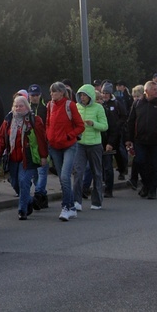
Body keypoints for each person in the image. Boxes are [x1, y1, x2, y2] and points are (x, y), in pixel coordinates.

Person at [0, 96, 47, 220]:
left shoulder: (34, 120)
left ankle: (22, 210)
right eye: (16, 106)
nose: (18, 108)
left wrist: (43, 156)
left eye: (21, 105)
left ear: (27, 106)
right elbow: (1, 139)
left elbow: (41, 139)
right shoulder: (8, 120)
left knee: (24, 181)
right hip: (12, 157)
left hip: (28, 157)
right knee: (14, 182)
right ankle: (30, 200)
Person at [125, 81, 157, 199]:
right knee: (140, 162)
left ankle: (152, 190)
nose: (156, 91)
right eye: (153, 89)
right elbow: (130, 122)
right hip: (140, 140)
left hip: (156, 141)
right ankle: (146, 185)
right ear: (146, 91)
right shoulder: (137, 104)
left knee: (154, 165)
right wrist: (128, 139)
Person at [46, 81, 85, 221]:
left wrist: (69, 135)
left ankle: (66, 207)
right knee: (63, 179)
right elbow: (48, 123)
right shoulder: (50, 105)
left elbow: (80, 126)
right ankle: (71, 207)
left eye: (54, 92)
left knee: (64, 176)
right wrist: (49, 137)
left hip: (69, 145)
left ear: (61, 93)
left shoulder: (70, 105)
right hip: (55, 146)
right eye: (51, 92)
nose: (51, 94)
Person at [73, 84, 108, 211]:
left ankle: (97, 201)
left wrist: (93, 124)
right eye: (80, 95)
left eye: (85, 95)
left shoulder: (99, 108)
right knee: (78, 172)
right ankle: (76, 201)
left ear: (90, 96)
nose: (82, 98)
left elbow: (104, 126)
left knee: (96, 173)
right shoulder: (76, 107)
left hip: (95, 145)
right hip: (80, 144)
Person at [99, 85, 123, 198]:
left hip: (108, 142)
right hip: (95, 143)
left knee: (108, 166)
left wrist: (110, 143)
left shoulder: (111, 108)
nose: (103, 97)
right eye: (101, 95)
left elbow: (114, 128)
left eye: (106, 94)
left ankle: (109, 189)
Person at [28, 84, 49, 209]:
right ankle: (43, 197)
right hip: (31, 144)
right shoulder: (26, 108)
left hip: (44, 142)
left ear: (40, 95)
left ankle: (38, 193)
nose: (34, 97)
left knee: (42, 171)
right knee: (35, 173)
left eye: (36, 95)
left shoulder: (45, 108)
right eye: (32, 95)